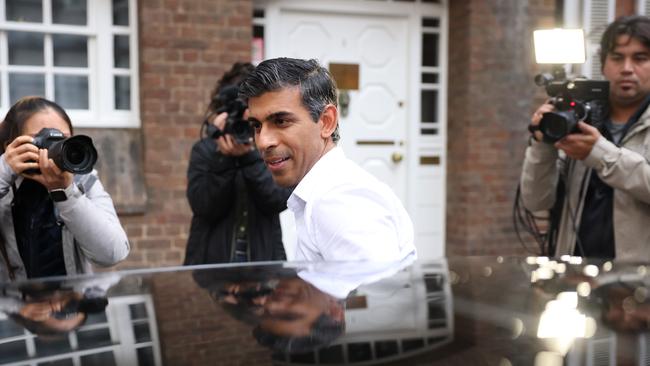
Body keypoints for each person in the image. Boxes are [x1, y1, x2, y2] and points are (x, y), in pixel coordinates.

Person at [239, 57, 416, 262]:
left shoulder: (337, 201)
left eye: (281, 121)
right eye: (256, 126)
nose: (262, 142)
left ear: (326, 122)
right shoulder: (328, 192)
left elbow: (374, 291)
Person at [521, 15, 650, 261]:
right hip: (577, 278)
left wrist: (599, 154)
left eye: (640, 58)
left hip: (639, 282)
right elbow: (536, 201)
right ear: (603, 65)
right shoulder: (579, 118)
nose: (626, 68)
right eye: (617, 57)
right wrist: (543, 143)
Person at [0, 96, 129, 280]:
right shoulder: (4, 182)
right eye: (41, 138)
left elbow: (112, 254)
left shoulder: (83, 180)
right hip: (11, 305)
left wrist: (67, 193)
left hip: (72, 305)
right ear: (11, 146)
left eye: (63, 139)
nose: (56, 147)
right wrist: (4, 170)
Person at [184, 62, 291, 264]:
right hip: (210, 265)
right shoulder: (205, 150)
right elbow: (203, 207)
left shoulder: (270, 147)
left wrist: (250, 157)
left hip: (263, 264)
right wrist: (223, 158)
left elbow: (277, 199)